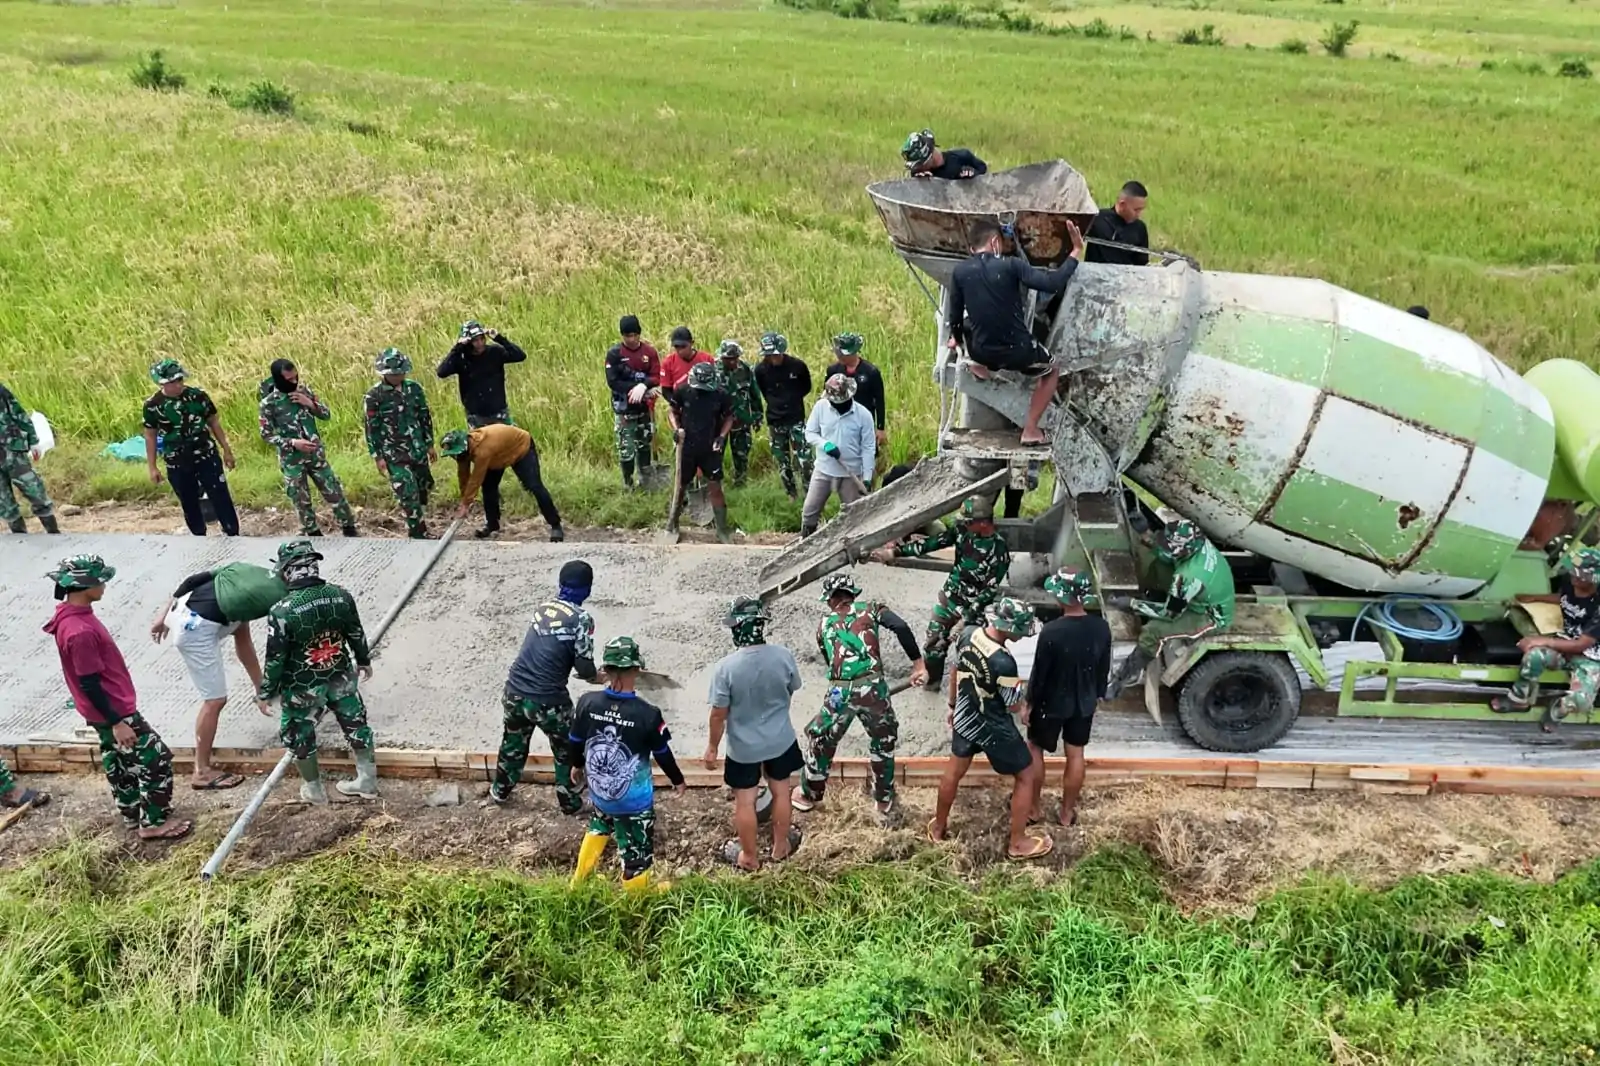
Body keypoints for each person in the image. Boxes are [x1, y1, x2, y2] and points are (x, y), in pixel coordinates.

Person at [44, 554, 190, 840]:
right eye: (100, 581)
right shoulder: (81, 632)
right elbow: (89, 683)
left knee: (118, 759)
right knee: (155, 758)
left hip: (101, 711)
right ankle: (153, 822)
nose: (104, 586)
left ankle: (131, 811)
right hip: (114, 709)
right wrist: (117, 721)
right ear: (85, 585)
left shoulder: (68, 616)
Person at [795, 572, 929, 820]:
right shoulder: (872, 609)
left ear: (829, 600)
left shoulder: (823, 625)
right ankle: (883, 800)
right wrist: (918, 664)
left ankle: (808, 795)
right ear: (853, 594)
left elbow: (833, 664)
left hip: (839, 690)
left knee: (822, 739)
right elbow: (900, 626)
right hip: (873, 688)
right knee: (883, 740)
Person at [929, 598, 1050, 860]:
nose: (1022, 634)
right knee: (1026, 774)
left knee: (953, 771)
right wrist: (1024, 701)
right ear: (1008, 627)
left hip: (965, 714)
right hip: (992, 725)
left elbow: (955, 672)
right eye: (1020, 629)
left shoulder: (968, 634)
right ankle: (1018, 842)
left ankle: (938, 828)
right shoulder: (1004, 662)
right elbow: (1013, 705)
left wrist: (952, 705)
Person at [946, 219, 1085, 446]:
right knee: (1052, 369)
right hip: (1018, 352)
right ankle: (1030, 430)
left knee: (968, 323)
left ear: (972, 249)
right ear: (995, 243)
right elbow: (1052, 284)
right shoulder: (1011, 265)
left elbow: (954, 318)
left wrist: (958, 341)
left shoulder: (960, 271)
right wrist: (1076, 251)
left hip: (981, 352)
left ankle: (976, 366)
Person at [257, 540, 377, 803]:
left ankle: (314, 790)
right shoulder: (340, 595)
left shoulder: (282, 611)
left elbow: (276, 658)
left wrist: (266, 691)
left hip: (303, 684)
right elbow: (355, 632)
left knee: (299, 731)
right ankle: (367, 781)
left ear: (287, 571)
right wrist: (364, 659)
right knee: (355, 721)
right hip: (340, 673)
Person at [150, 559, 286, 790]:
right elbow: (279, 647)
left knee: (240, 630)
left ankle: (202, 768)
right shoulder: (275, 596)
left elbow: (192, 581)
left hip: (183, 607)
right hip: (194, 629)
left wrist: (261, 689)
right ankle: (201, 772)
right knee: (215, 701)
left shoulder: (248, 577)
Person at [569, 636, 686, 893]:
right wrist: (677, 780)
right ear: (637, 670)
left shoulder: (587, 702)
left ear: (605, 671)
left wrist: (576, 765)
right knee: (636, 849)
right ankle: (636, 895)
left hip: (600, 792)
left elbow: (575, 740)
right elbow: (663, 753)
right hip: (633, 801)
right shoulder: (647, 714)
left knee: (600, 822)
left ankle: (578, 882)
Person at [703, 597, 804, 872]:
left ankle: (749, 857)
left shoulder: (726, 667)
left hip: (743, 748)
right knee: (781, 792)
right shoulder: (783, 655)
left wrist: (712, 747)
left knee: (745, 800)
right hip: (781, 740)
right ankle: (781, 847)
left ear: (738, 628)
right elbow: (792, 688)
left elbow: (718, 714)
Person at [491, 560, 599, 811]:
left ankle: (500, 791)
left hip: (515, 692)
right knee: (567, 749)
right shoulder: (582, 619)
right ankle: (570, 802)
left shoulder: (543, 608)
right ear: (588, 589)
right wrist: (599, 675)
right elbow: (584, 669)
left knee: (513, 742)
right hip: (548, 700)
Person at [872, 496, 1010, 685]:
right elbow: (932, 543)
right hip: (950, 599)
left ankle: (964, 697)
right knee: (932, 648)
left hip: (973, 609)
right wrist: (895, 552)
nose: (965, 525)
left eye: (969, 522)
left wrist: (966, 619)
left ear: (984, 523)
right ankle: (932, 685)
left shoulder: (999, 550)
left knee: (972, 654)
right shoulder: (962, 532)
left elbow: (989, 590)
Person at [1107, 519, 1235, 698]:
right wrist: (1146, 534)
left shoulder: (1187, 576)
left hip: (1209, 615)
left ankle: (1123, 678)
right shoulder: (1197, 542)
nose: (1165, 547)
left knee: (1153, 631)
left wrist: (1132, 604)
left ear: (1185, 550)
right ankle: (1152, 595)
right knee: (1159, 563)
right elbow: (1168, 552)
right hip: (1199, 594)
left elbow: (1170, 614)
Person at [1026, 569, 1111, 827]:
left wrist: (1029, 704)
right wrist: (1097, 694)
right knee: (1076, 755)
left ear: (1061, 597)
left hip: (1050, 703)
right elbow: (1102, 667)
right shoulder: (1102, 627)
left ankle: (1033, 809)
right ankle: (1066, 813)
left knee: (1034, 749)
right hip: (1083, 702)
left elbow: (1040, 673)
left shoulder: (1052, 631)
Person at [1492, 546, 1600, 731]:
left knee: (1581, 702)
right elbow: (1563, 598)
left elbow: (1581, 645)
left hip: (1589, 656)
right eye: (1573, 573)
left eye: (1580, 576)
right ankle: (1520, 700)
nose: (1574, 578)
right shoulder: (1571, 583)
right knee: (1534, 656)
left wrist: (1541, 640)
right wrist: (1534, 597)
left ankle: (1558, 709)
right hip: (1565, 643)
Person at [258, 359, 358, 538]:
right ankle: (313, 532)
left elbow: (326, 415)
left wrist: (310, 404)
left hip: (316, 455)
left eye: (296, 377)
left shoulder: (304, 391)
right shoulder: (268, 404)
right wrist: (293, 443)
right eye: (289, 379)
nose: (294, 382)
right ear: (278, 379)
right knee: (300, 499)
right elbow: (267, 435)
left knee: (334, 491)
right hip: (292, 460)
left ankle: (349, 527)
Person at [142, 359, 240, 537]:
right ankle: (198, 537)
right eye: (173, 382)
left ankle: (232, 533)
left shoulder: (198, 396)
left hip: (205, 455)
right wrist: (152, 466)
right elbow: (150, 435)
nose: (178, 385)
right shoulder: (153, 405)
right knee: (189, 501)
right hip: (177, 459)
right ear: (162, 383)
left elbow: (214, 422)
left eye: (180, 380)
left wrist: (226, 450)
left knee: (220, 496)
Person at [439, 424, 564, 542]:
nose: (454, 457)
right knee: (488, 488)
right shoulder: (463, 452)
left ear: (464, 447)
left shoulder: (483, 450)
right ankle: (492, 525)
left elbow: (476, 479)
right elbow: (463, 475)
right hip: (498, 455)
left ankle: (555, 524)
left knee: (534, 486)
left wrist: (466, 504)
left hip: (520, 447)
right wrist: (463, 500)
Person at [363, 348, 436, 540]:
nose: (398, 376)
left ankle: (419, 517)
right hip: (394, 454)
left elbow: (424, 417)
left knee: (424, 486)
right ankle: (418, 533)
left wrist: (429, 444)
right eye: (394, 374)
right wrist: (377, 456)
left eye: (400, 373)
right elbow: (372, 428)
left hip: (417, 449)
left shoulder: (414, 389)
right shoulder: (374, 396)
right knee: (407, 493)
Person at [800, 374, 876, 538]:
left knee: (855, 516)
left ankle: (855, 546)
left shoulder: (864, 415)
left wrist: (867, 477)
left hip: (851, 474)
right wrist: (824, 444)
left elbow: (868, 447)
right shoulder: (821, 407)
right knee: (809, 509)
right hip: (824, 470)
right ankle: (805, 541)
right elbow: (810, 433)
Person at [666, 362, 735, 542]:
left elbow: (729, 417)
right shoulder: (683, 391)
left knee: (715, 487)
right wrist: (676, 429)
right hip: (687, 447)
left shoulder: (720, 395)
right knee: (680, 486)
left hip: (710, 447)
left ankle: (722, 529)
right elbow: (672, 411)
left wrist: (721, 436)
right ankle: (672, 523)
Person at [753, 331, 813, 500]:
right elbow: (764, 391)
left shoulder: (797, 366)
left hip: (795, 418)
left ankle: (811, 494)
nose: (773, 358)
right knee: (783, 462)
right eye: (769, 355)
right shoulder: (760, 370)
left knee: (805, 459)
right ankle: (791, 494)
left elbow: (806, 387)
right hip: (775, 420)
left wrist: (791, 399)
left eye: (775, 354)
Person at [605, 314, 662, 490]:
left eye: (634, 335)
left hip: (645, 408)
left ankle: (645, 481)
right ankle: (628, 482)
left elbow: (656, 376)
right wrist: (634, 387)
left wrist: (644, 386)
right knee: (626, 448)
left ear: (639, 334)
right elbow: (613, 381)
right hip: (624, 409)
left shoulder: (649, 352)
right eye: (627, 336)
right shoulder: (615, 354)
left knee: (645, 443)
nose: (631, 339)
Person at [436, 319, 526, 428]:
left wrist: (499, 338)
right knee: (481, 445)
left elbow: (520, 355)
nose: (480, 343)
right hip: (476, 416)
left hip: (499, 411)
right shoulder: (461, 358)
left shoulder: (495, 352)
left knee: (507, 443)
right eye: (475, 340)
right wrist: (457, 347)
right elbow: (441, 372)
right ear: (468, 342)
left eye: (482, 339)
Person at [0, 379, 59, 534]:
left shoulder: (1, 391)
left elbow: (18, 413)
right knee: (3, 501)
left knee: (32, 488)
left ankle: (53, 533)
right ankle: (21, 540)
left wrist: (33, 440)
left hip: (11, 449)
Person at [824, 333, 886, 454]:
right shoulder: (833, 370)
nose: (838, 356)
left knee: (866, 454)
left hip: (863, 422)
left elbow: (879, 400)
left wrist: (880, 428)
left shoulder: (871, 372)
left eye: (841, 354)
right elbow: (827, 396)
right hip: (839, 422)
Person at [715, 339, 764, 487]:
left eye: (735, 358)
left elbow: (754, 394)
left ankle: (741, 483)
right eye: (728, 359)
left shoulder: (745, 369)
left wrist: (757, 416)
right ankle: (716, 484)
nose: (732, 362)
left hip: (741, 419)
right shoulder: (713, 371)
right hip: (719, 422)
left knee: (742, 453)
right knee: (716, 454)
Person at [1085, 181, 1151, 266]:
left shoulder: (1140, 228)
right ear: (1122, 204)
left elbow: (1142, 264)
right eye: (1136, 210)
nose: (1139, 214)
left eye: (1141, 210)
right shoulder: (1097, 219)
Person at [900, 129, 987, 180]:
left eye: (919, 165)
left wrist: (973, 174)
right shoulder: (921, 173)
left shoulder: (962, 157)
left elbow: (984, 171)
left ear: (929, 158)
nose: (917, 168)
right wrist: (919, 183)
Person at [659, 325, 713, 396]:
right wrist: (676, 403)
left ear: (691, 343)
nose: (680, 351)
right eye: (676, 347)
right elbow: (666, 390)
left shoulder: (707, 359)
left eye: (683, 346)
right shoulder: (668, 362)